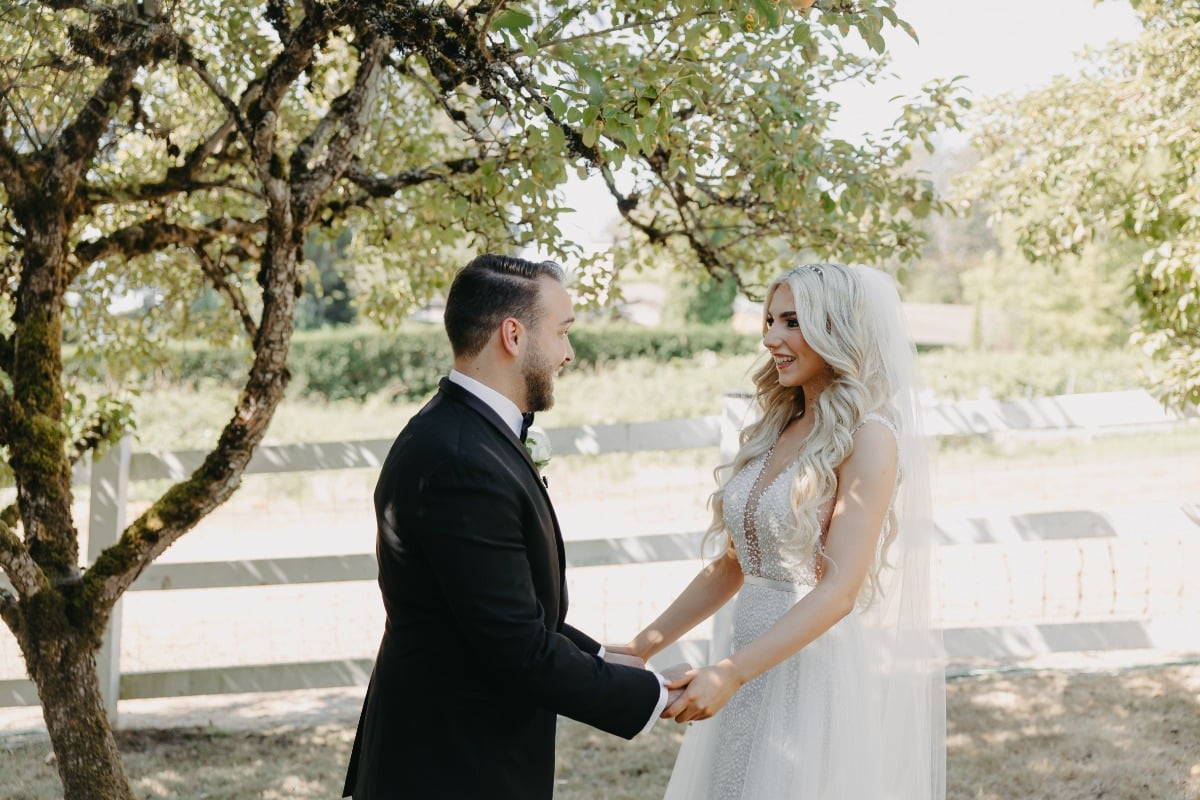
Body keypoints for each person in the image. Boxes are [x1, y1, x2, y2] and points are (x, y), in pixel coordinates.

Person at [343, 254, 679, 800]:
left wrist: (604, 658)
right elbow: (515, 646)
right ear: (514, 335)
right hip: (449, 766)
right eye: (563, 332)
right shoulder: (459, 460)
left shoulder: (465, 432)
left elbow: (497, 608)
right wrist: (654, 695)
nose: (568, 353)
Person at [609, 263, 946, 799]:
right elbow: (734, 563)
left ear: (837, 328)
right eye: (770, 321)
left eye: (791, 322)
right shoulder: (778, 425)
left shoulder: (870, 437)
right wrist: (639, 647)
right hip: (742, 658)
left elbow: (839, 592)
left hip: (807, 667)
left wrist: (732, 672)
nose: (770, 338)